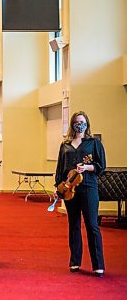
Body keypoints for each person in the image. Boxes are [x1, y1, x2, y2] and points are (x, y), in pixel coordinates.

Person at [54, 111, 106, 277]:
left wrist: (87, 167)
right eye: (76, 122)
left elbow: (101, 166)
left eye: (82, 122)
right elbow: (60, 168)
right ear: (72, 124)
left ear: (87, 124)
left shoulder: (93, 143)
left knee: (92, 225)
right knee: (73, 225)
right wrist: (59, 188)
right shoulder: (65, 145)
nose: (79, 124)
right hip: (70, 189)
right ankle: (75, 261)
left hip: (88, 187)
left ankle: (98, 265)